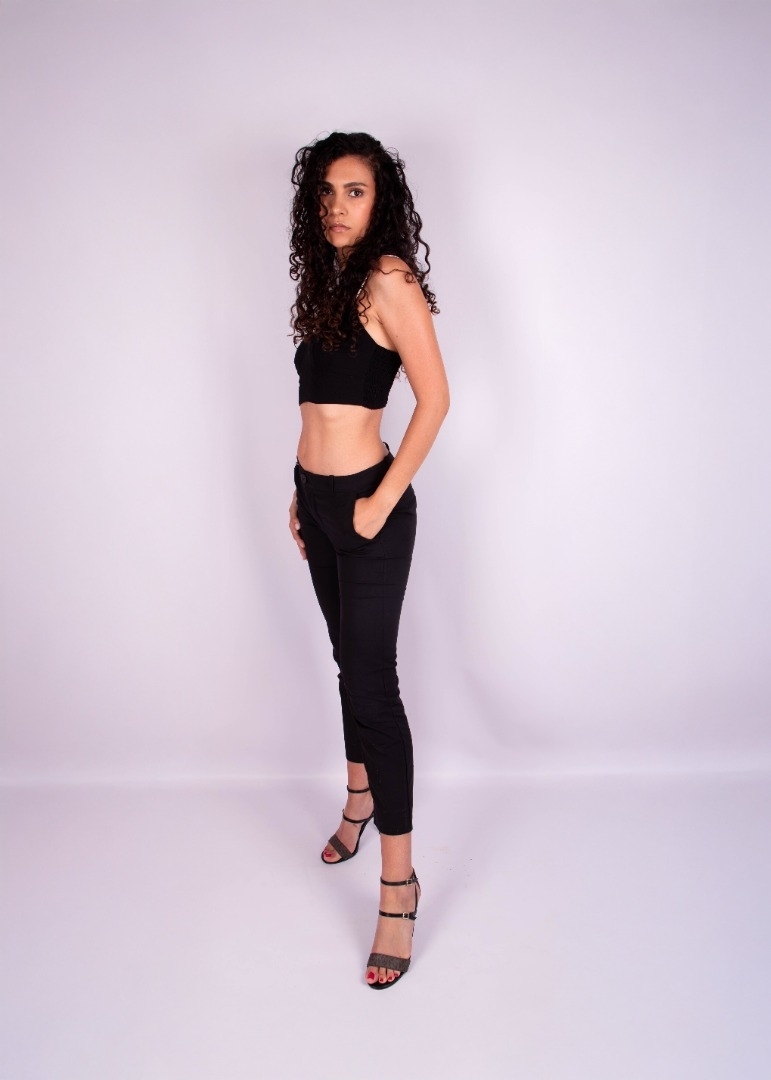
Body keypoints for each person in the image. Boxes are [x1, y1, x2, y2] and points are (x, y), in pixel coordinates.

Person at [287, 132, 449, 989]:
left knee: (372, 688)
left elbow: (436, 398)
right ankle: (358, 796)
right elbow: (317, 405)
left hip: (368, 503)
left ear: (380, 199)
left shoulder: (388, 277)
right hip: (317, 501)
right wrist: (299, 489)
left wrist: (381, 501)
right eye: (325, 192)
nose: (336, 206)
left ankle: (397, 885)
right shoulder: (329, 281)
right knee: (346, 661)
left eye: (353, 190)